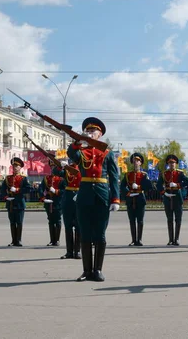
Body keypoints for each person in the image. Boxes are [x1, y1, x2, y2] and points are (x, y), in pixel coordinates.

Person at [67, 117, 120, 281]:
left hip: (102, 194)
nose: (90, 133)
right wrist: (77, 141)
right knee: (84, 233)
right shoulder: (81, 152)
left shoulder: (107, 153)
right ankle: (86, 271)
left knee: (100, 234)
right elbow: (71, 154)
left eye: (93, 131)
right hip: (84, 194)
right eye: (88, 130)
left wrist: (115, 199)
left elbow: (114, 176)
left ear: (100, 134)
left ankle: (97, 270)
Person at [120, 152, 153, 246]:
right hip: (130, 199)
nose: (136, 162)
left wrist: (138, 186)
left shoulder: (144, 175)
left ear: (141, 163)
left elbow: (148, 186)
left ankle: (139, 239)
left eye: (138, 161)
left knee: (140, 220)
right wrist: (128, 192)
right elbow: (122, 186)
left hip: (140, 198)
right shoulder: (128, 175)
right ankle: (133, 239)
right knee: (131, 220)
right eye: (134, 161)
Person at [156, 154, 188, 245]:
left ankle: (176, 239)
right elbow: (158, 185)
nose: (172, 164)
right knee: (169, 219)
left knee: (178, 219)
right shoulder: (164, 174)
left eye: (174, 163)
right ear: (168, 163)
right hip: (167, 197)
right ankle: (170, 239)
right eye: (170, 163)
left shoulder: (180, 173)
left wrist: (178, 185)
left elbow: (187, 182)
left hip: (177, 196)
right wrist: (164, 192)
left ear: (176, 164)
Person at [0, 157, 32, 246]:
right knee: (12, 222)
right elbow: (2, 189)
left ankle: (19, 240)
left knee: (19, 222)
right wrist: (6, 197)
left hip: (19, 203)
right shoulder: (8, 178)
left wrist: (18, 190)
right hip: (10, 203)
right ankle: (13, 240)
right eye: (13, 166)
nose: (15, 168)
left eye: (17, 166)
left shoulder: (23, 178)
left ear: (20, 167)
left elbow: (29, 189)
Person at [55, 160, 83, 259]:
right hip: (67, 198)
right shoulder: (67, 169)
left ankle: (77, 251)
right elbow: (56, 173)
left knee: (79, 226)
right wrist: (60, 166)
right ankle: (69, 252)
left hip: (79, 196)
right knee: (68, 226)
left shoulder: (83, 168)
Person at [38, 157, 65, 246]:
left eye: (54, 167)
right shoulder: (46, 178)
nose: (52, 169)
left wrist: (56, 191)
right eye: (51, 167)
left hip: (58, 202)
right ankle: (51, 240)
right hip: (48, 202)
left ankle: (57, 240)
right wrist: (43, 197)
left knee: (57, 220)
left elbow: (65, 190)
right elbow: (40, 189)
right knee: (50, 221)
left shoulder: (62, 179)